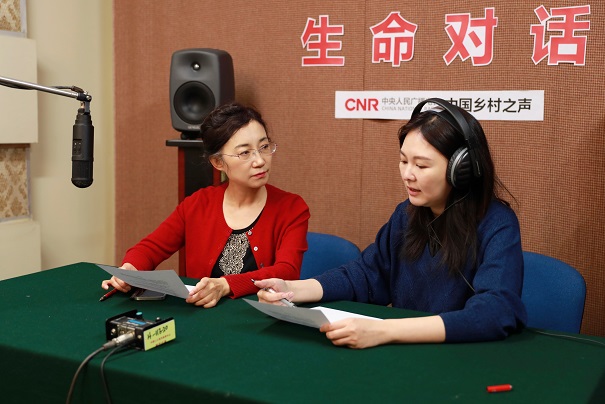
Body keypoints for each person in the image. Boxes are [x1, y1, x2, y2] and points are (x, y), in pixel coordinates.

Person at [256, 98, 527, 348]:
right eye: (403, 161)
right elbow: (366, 274)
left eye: (421, 166)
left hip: (460, 357)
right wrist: (292, 289)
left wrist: (385, 331)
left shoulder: (497, 223)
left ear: (461, 170)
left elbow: (494, 311)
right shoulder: (406, 215)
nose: (407, 174)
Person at [102, 102, 310, 308]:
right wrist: (130, 269)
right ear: (218, 162)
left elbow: (287, 271)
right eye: (245, 153)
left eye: (264, 147)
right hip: (202, 314)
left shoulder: (292, 207)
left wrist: (225, 285)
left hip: (261, 316)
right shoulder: (197, 204)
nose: (260, 161)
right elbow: (151, 248)